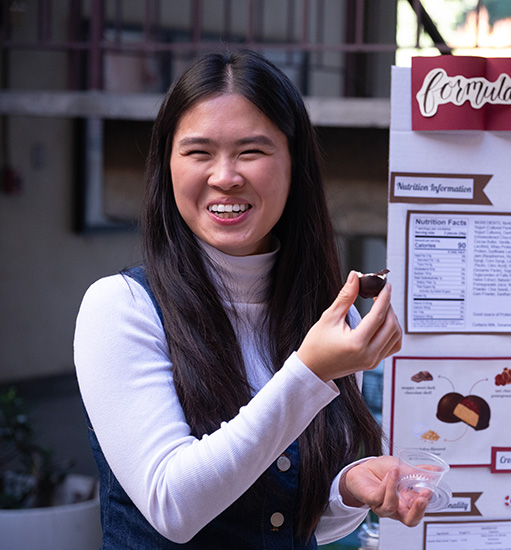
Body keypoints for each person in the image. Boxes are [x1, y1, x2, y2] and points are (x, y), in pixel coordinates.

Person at [74, 49, 425, 548]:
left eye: (252, 151)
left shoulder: (324, 315)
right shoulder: (120, 307)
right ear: (168, 164)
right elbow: (172, 505)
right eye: (198, 152)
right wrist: (310, 371)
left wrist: (347, 490)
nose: (225, 176)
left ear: (293, 163)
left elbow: (288, 521)